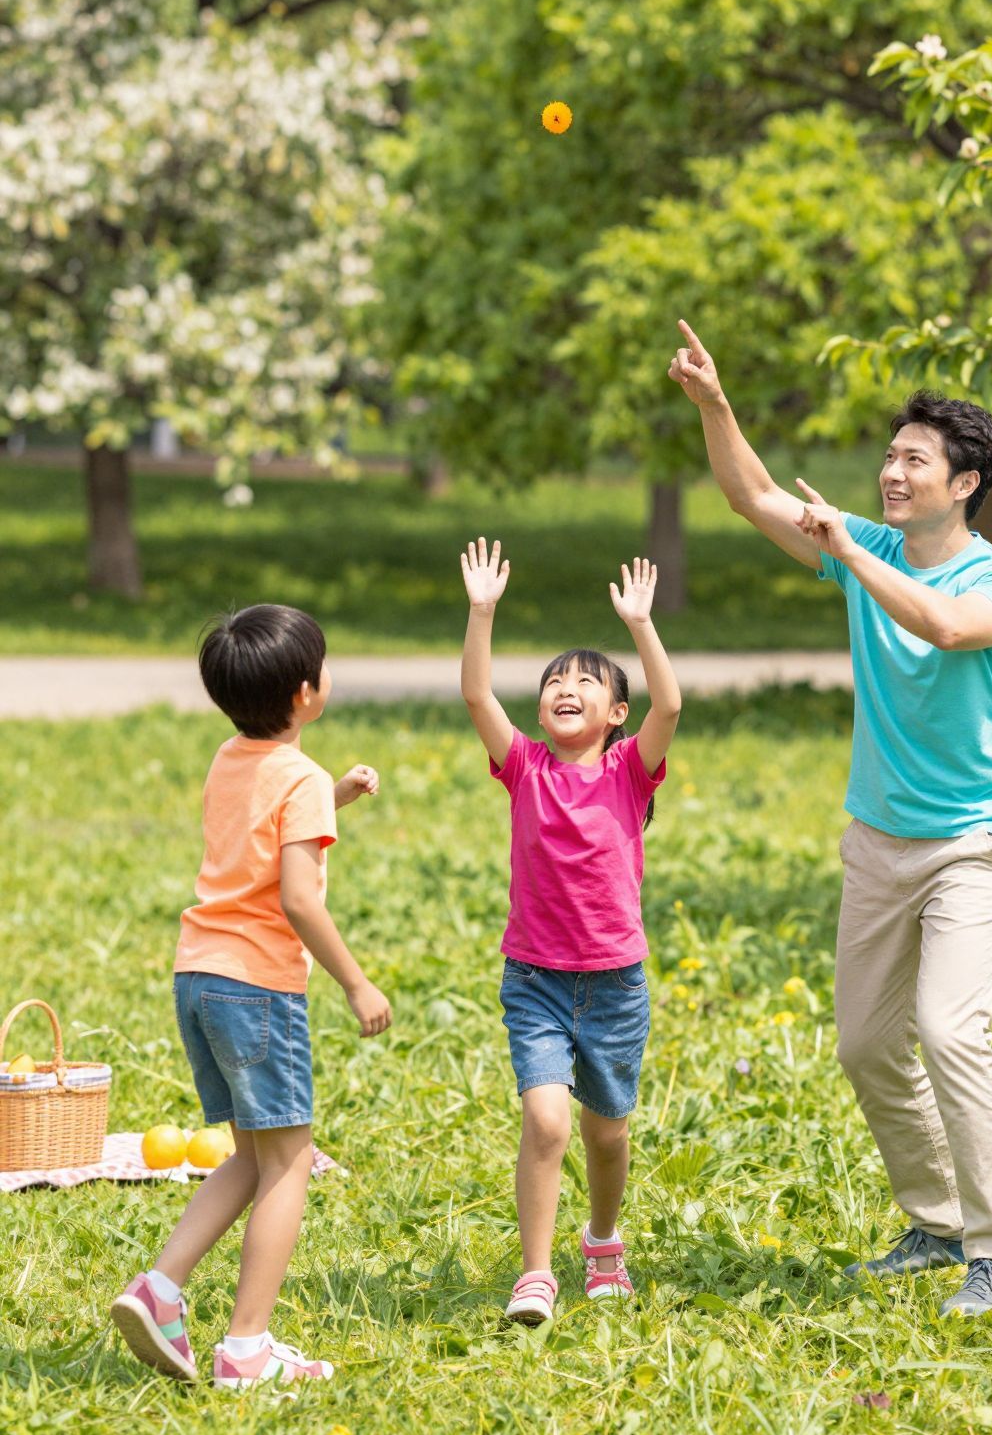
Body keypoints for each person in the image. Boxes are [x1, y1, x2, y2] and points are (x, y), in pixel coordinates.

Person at [669, 322, 992, 1317]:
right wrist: (716, 404)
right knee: (868, 1045)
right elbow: (752, 494)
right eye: (888, 455)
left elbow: (944, 625)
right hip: (879, 836)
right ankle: (937, 1222)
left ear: (963, 483)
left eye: (913, 459)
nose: (891, 471)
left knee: (951, 1032)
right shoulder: (865, 543)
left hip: (970, 842)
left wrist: (848, 552)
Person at [111, 603, 391, 1388]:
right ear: (306, 693)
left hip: (198, 976)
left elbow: (260, 840)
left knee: (249, 1152)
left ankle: (159, 1290)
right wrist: (356, 980)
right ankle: (246, 1348)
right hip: (259, 988)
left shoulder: (230, 758)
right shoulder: (294, 776)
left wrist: (335, 796)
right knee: (291, 1161)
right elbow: (299, 897)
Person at [460, 538, 681, 1324]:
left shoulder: (628, 771)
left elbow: (672, 707)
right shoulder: (524, 769)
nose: (566, 687)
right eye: (556, 680)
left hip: (616, 984)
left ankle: (604, 1239)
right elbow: (478, 698)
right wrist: (482, 612)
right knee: (547, 1121)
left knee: (606, 1134)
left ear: (615, 715)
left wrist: (641, 626)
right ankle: (535, 1274)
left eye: (586, 682)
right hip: (537, 981)